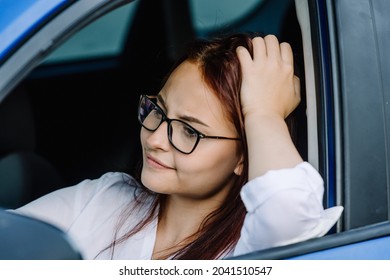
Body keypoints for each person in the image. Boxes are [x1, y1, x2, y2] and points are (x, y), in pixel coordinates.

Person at [12, 33, 343, 260]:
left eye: (188, 131)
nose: (154, 139)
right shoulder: (108, 198)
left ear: (244, 156)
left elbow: (285, 209)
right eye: (159, 111)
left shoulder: (252, 248)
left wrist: (264, 113)